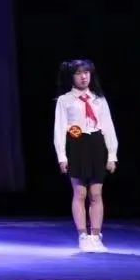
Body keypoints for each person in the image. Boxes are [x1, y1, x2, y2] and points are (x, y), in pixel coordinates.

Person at [53, 59, 118, 253]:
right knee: (80, 193)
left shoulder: (99, 99)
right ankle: (83, 236)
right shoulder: (65, 100)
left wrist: (112, 155)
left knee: (96, 194)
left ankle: (96, 236)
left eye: (87, 73)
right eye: (79, 73)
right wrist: (62, 157)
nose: (83, 77)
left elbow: (108, 127)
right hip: (77, 144)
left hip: (97, 143)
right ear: (71, 77)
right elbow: (59, 129)